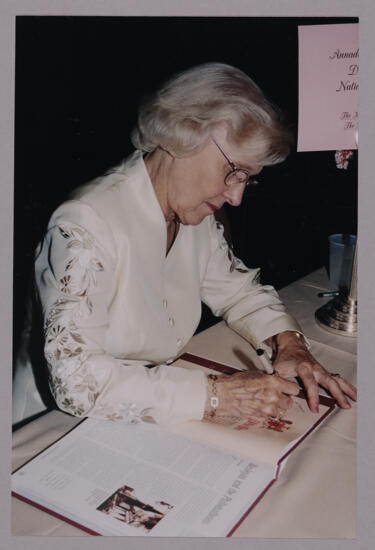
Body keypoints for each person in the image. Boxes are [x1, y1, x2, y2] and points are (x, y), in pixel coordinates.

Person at [32, 62, 356, 427]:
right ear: (181, 134)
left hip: (150, 411)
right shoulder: (85, 222)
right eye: (233, 172)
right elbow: (74, 381)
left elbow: (238, 293)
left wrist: (289, 343)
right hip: (59, 424)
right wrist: (215, 396)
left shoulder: (191, 214)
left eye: (247, 180)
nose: (235, 197)